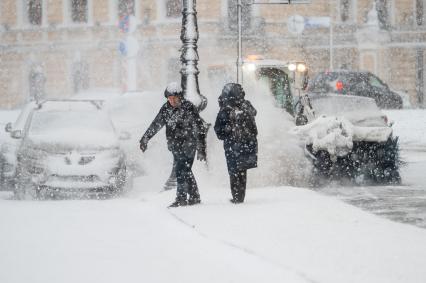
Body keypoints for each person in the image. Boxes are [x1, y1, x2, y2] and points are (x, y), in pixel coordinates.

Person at [139, 82, 207, 207]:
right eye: (169, 98)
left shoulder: (188, 108)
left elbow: (199, 128)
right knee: (186, 170)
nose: (171, 101)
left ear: (179, 96)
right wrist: (145, 138)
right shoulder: (166, 109)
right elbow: (156, 124)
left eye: (173, 98)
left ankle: (181, 199)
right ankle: (194, 196)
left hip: (189, 145)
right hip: (175, 146)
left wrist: (201, 148)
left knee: (181, 170)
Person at [214, 83, 258, 203]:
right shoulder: (246, 106)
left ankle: (236, 197)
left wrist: (227, 130)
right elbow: (254, 114)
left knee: (234, 171)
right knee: (242, 171)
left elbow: (218, 130)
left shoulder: (225, 109)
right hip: (246, 145)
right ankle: (240, 196)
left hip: (233, 146)